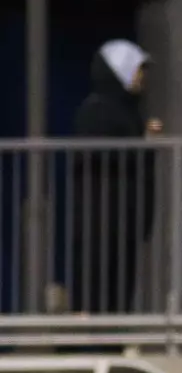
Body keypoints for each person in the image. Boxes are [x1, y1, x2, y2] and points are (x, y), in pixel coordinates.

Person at [72, 39, 162, 313]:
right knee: (100, 289)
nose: (142, 77)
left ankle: (114, 344)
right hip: (102, 220)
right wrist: (142, 145)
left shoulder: (129, 112)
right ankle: (96, 348)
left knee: (121, 290)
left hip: (125, 219)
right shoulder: (96, 110)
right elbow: (104, 154)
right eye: (137, 70)